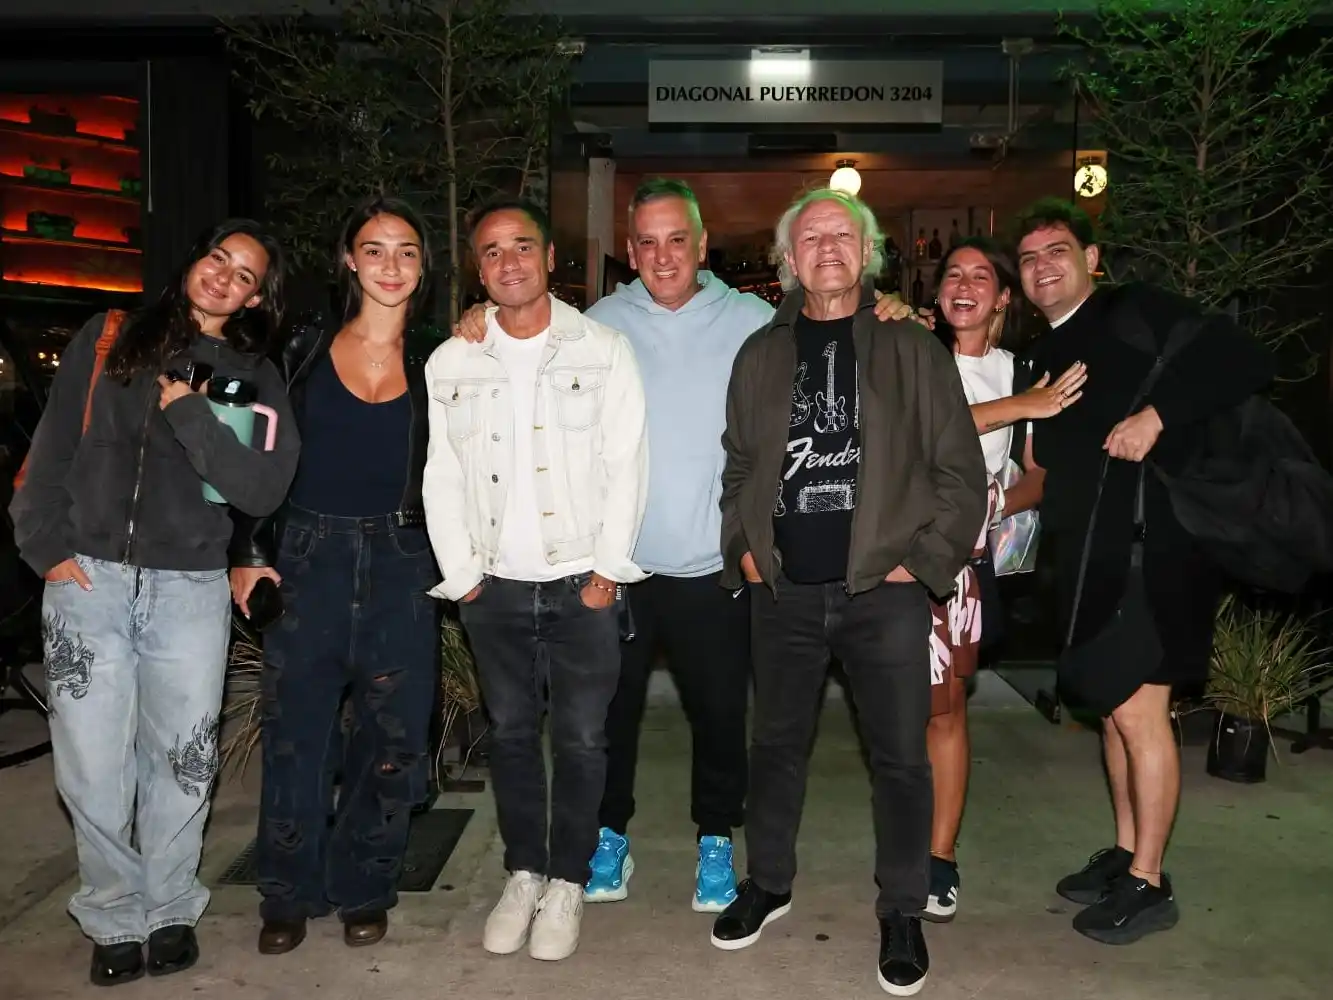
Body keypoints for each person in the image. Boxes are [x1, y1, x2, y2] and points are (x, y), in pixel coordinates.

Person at [453, 178, 920, 913]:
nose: (663, 255)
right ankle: (610, 835)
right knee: (607, 717)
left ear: (702, 245)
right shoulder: (596, 325)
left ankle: (714, 839)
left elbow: (841, 325)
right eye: (646, 241)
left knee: (719, 715)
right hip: (617, 569)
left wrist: (885, 305)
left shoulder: (755, 320)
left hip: (716, 566)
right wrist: (478, 317)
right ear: (628, 250)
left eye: (678, 239)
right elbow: (522, 326)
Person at [711, 187, 987, 998]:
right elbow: (734, 468)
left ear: (866, 255)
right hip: (784, 591)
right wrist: (745, 552)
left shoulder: (911, 348)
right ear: (788, 260)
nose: (825, 247)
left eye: (840, 235)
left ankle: (901, 907)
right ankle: (767, 882)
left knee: (900, 759)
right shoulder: (760, 354)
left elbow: (959, 473)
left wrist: (922, 564)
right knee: (775, 749)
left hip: (884, 593)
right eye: (809, 237)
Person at [9, 220, 298, 986]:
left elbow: (263, 488)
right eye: (218, 259)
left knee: (183, 760)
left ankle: (169, 909)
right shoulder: (108, 338)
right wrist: (44, 545)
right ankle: (111, 912)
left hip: (189, 588)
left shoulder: (251, 372)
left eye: (244, 275)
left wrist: (191, 414)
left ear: (254, 298)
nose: (224, 278)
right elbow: (50, 450)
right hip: (88, 584)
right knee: (91, 766)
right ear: (192, 260)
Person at [1014, 198, 1274, 944]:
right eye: (1029, 259)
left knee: (1138, 711)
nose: (1043, 268)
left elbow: (1242, 357)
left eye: (1057, 251)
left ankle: (1149, 883)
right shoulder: (1039, 352)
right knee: (1107, 707)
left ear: (1091, 259)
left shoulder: (1137, 310)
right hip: (1086, 557)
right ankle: (1127, 851)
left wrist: (1157, 416)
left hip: (1149, 551)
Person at [424, 197, 648, 962]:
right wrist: (465, 578)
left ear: (551, 259)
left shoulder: (603, 349)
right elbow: (441, 478)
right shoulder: (453, 360)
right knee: (513, 738)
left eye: (523, 247)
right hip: (495, 588)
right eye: (490, 251)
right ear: (476, 268)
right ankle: (523, 871)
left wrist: (605, 573)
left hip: (579, 584)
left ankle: (568, 882)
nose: (508, 262)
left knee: (584, 741)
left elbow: (627, 466)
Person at [227, 196, 440, 955]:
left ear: (423, 265)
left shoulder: (440, 356)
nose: (390, 265)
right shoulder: (300, 349)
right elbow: (257, 453)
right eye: (374, 249)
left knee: (393, 740)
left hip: (404, 561)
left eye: (406, 250)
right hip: (307, 557)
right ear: (349, 259)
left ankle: (365, 886)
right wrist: (250, 551)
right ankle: (287, 892)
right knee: (298, 737)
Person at [922, 236, 1087, 923]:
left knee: (946, 710)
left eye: (980, 276)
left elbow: (1040, 477)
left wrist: (992, 503)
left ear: (1003, 296)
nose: (964, 285)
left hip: (963, 568)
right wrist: (1023, 408)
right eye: (951, 275)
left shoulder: (1024, 372)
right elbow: (919, 440)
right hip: (896, 561)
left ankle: (939, 856)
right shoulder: (910, 361)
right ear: (935, 295)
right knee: (898, 712)